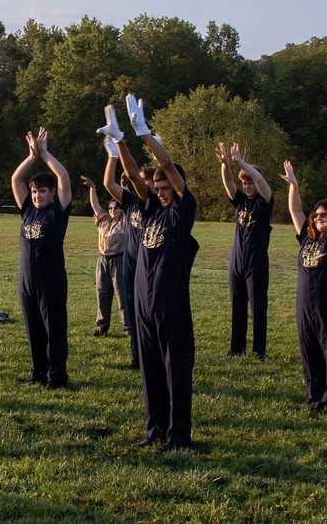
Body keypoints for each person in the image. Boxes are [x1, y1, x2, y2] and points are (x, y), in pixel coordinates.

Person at [120, 93, 197, 449]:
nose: (163, 191)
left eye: (168, 188)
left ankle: (178, 435)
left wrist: (145, 134)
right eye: (160, 188)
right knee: (150, 374)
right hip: (144, 307)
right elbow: (136, 176)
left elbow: (166, 168)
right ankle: (155, 432)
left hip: (172, 308)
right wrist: (120, 142)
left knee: (175, 372)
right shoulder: (149, 210)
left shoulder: (181, 213)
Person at [281, 158, 327, 414]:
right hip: (305, 307)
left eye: (324, 215)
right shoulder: (307, 240)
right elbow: (295, 212)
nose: (318, 218)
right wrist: (294, 185)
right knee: (309, 355)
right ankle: (314, 400)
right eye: (316, 215)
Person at [11, 127, 72, 389]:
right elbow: (16, 180)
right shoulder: (28, 211)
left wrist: (45, 154)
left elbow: (63, 177)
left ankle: (56, 376)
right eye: (35, 191)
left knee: (54, 329)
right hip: (27, 282)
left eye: (43, 191)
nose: (37, 195)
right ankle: (38, 373)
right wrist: (31, 156)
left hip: (51, 281)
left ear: (51, 193)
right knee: (33, 329)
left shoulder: (57, 211)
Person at [99, 107, 150, 371]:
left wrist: (122, 141)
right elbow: (109, 184)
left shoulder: (152, 204)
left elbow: (131, 175)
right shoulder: (130, 202)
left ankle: (151, 356)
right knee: (131, 310)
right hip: (128, 263)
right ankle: (136, 358)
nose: (137, 184)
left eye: (143, 181)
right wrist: (111, 155)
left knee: (146, 314)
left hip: (147, 265)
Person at [216, 142, 273, 361]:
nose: (248, 186)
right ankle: (236, 347)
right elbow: (229, 183)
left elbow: (261, 181)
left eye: (250, 182)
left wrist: (240, 162)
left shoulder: (265, 201)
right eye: (246, 183)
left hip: (256, 261)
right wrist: (225, 165)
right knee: (237, 305)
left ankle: (259, 350)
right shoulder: (241, 202)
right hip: (236, 260)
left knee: (258, 307)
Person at [81, 175, 129, 341]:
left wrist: (124, 185)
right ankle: (102, 327)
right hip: (103, 260)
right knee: (102, 293)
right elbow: (95, 206)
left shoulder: (125, 222)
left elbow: (128, 203)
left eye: (116, 208)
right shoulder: (104, 222)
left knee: (122, 294)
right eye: (111, 208)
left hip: (120, 260)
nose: (113, 210)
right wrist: (93, 188)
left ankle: (128, 327)